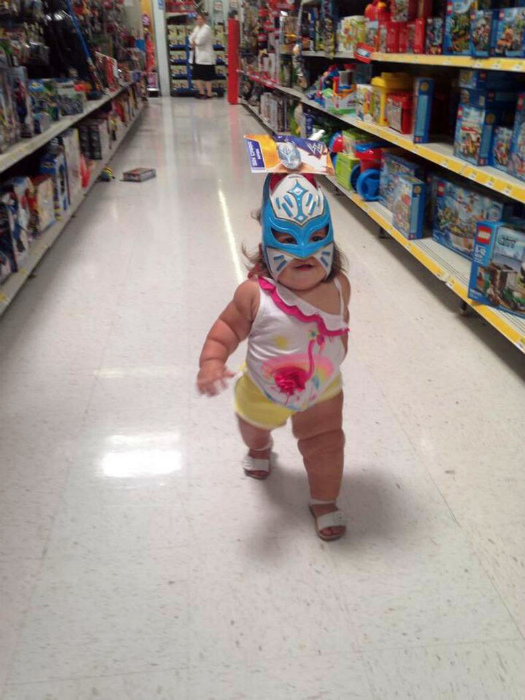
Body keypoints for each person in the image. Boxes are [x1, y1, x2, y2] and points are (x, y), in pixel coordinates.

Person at [197, 173, 351, 541]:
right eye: (287, 240)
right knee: (253, 428)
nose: (304, 251)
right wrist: (212, 361)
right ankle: (260, 447)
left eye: (317, 237)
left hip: (322, 390)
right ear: (265, 246)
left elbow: (340, 325)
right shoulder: (254, 295)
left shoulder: (340, 286)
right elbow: (226, 328)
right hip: (263, 389)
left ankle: (324, 500)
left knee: (327, 445)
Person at [189, 12, 216, 99]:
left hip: (205, 57)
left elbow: (200, 41)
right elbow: (190, 38)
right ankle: (201, 92)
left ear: (204, 20)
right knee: (196, 75)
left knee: (207, 77)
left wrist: (194, 41)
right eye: (198, 19)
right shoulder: (196, 28)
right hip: (196, 56)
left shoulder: (206, 29)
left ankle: (209, 94)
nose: (199, 21)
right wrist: (193, 41)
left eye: (201, 19)